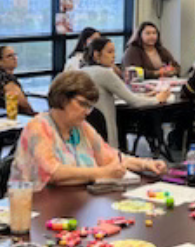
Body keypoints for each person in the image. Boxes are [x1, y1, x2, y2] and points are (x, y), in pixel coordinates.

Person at [11, 70, 166, 186]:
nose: (87, 111)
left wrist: (146, 164)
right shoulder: (38, 127)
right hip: (38, 207)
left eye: (90, 106)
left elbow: (111, 157)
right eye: (82, 104)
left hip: (74, 202)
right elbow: (51, 172)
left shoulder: (81, 127)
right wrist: (101, 173)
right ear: (63, 98)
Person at [82, 37, 167, 149]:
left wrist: (144, 95)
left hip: (87, 129)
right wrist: (158, 99)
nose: (114, 56)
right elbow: (133, 101)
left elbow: (117, 95)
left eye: (114, 52)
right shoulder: (105, 73)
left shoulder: (83, 70)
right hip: (104, 130)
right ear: (96, 54)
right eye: (109, 52)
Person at [0, 45, 34, 115]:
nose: (14, 58)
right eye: (9, 56)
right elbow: (23, 104)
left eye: (15, 55)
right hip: (16, 117)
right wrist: (35, 115)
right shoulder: (5, 79)